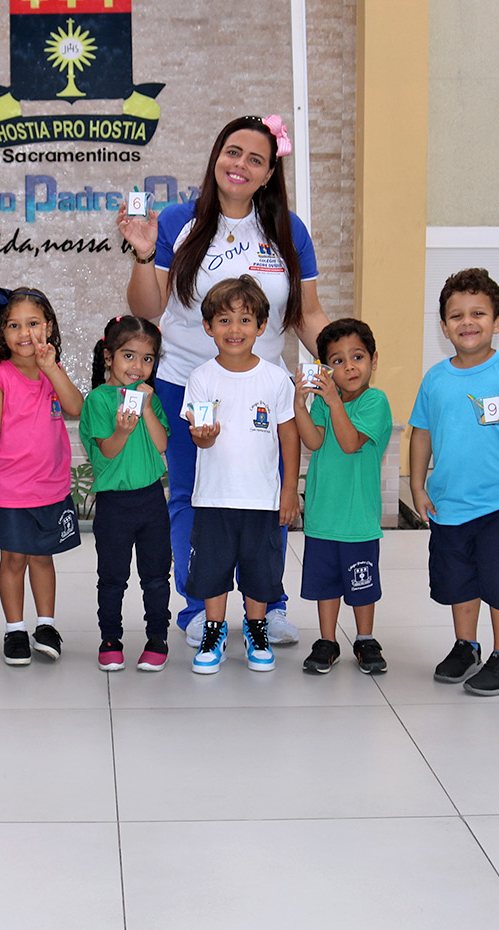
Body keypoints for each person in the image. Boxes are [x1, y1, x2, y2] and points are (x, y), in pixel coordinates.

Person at [118, 114, 330, 649]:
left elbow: (307, 314)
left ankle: (270, 605)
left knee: (268, 495)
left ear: (269, 174)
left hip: (263, 389)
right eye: (232, 152)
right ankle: (197, 606)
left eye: (255, 159)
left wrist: (343, 360)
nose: (240, 165)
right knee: (192, 498)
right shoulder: (178, 221)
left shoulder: (288, 231)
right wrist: (144, 252)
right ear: (217, 157)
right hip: (186, 385)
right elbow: (148, 309)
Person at [409, 268, 499, 696]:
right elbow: (421, 433)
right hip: (451, 504)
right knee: (459, 580)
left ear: (497, 321)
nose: (467, 322)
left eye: (478, 314)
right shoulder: (435, 378)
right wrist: (417, 485)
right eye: (457, 316)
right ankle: (466, 647)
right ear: (444, 326)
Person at [183, 277, 299, 675]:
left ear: (262, 326)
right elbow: (198, 436)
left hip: (262, 500)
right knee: (212, 571)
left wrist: (289, 489)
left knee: (260, 573)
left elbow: (289, 435)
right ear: (208, 327)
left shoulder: (275, 379)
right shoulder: (201, 378)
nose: (235, 329)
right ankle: (214, 633)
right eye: (224, 320)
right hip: (214, 498)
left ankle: (256, 630)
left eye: (245, 320)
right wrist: (204, 436)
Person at [0, 286, 84, 665]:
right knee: (14, 559)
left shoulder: (54, 371)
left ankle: (46, 625)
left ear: (48, 327)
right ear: (2, 333)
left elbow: (76, 407)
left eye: (33, 323)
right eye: (14, 325)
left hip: (49, 486)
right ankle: (15, 629)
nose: (24, 333)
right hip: (9, 488)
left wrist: (51, 368)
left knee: (42, 557)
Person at [293, 318, 393, 675]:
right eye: (337, 360)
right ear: (325, 368)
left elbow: (350, 443)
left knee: (362, 583)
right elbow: (314, 440)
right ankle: (327, 640)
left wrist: (333, 400)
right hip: (323, 514)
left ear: (373, 360)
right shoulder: (324, 403)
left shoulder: (374, 401)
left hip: (358, 518)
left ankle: (365, 638)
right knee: (326, 584)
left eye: (357, 357)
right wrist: (300, 405)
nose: (349, 367)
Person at [80, 315, 171, 672]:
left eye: (147, 358)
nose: (138, 366)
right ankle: (110, 639)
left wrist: (146, 409)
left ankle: (157, 637)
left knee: (156, 575)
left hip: (151, 499)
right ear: (109, 356)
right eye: (128, 356)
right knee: (112, 577)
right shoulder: (99, 400)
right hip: (114, 505)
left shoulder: (150, 398)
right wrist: (121, 430)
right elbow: (107, 452)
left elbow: (161, 444)